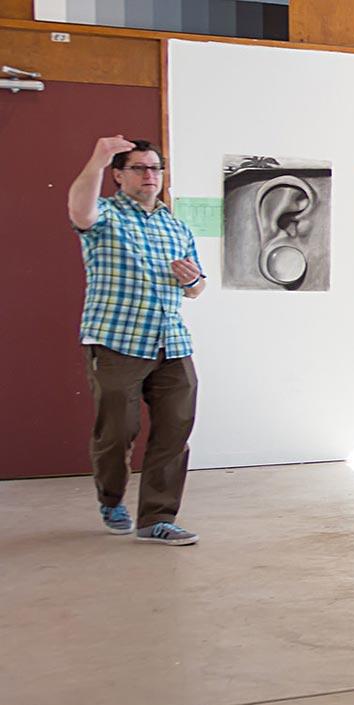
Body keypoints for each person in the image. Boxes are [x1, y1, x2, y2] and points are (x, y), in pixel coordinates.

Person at [66, 136, 206, 545]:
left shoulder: (175, 226)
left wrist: (193, 281)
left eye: (155, 168)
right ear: (119, 176)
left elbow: (196, 288)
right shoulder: (104, 215)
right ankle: (111, 498)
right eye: (139, 168)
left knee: (174, 432)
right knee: (117, 432)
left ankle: (157, 519)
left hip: (172, 344)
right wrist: (98, 155)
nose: (150, 176)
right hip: (116, 342)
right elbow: (79, 208)